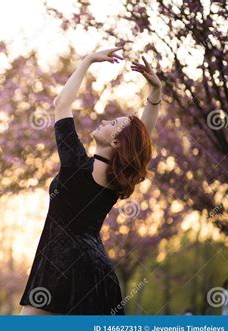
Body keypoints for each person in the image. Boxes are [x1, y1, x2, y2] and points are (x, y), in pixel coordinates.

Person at [19, 47, 162, 315]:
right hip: (97, 274)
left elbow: (61, 103)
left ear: (117, 141)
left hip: (59, 268)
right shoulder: (118, 177)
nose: (105, 120)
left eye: (113, 123)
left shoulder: (75, 165)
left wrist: (88, 60)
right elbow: (142, 139)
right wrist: (155, 94)